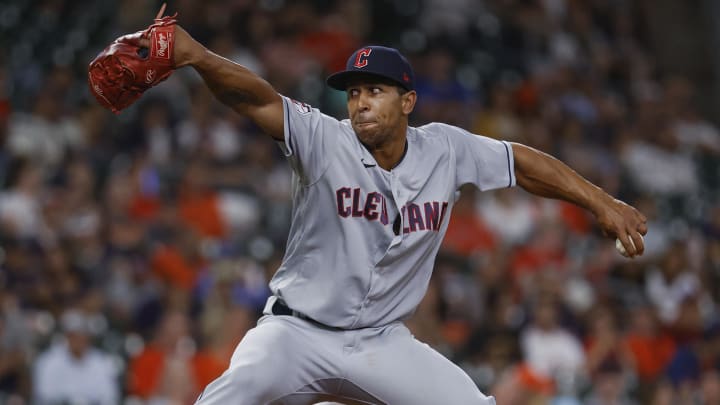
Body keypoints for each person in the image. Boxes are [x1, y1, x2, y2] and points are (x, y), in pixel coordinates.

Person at [129, 18, 647, 405]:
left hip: (381, 342)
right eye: (354, 92)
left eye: (375, 90)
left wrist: (601, 201)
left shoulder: (444, 149)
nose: (360, 103)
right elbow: (256, 99)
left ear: (408, 101)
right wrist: (195, 56)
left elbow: (523, 163)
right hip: (296, 333)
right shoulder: (323, 139)